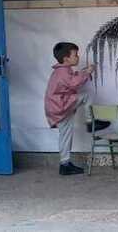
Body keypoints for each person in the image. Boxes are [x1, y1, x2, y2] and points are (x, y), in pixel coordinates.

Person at [44, 42, 95, 175]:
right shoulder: (62, 71)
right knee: (86, 96)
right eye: (75, 54)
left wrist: (82, 73)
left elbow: (71, 80)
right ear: (66, 58)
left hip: (58, 106)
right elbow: (73, 83)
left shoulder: (62, 71)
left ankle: (64, 164)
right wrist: (87, 72)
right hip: (61, 106)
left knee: (65, 134)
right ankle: (90, 122)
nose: (78, 57)